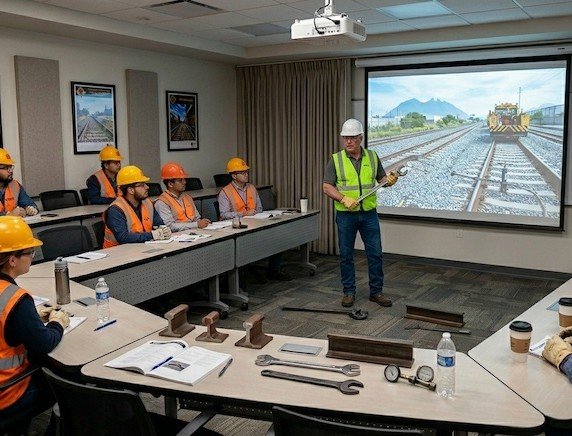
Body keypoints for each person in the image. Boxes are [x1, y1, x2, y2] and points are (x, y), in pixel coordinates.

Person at [0, 216, 69, 430]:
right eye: (29, 252)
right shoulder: (15, 298)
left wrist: (32, 316)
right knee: (68, 382)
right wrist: (57, 322)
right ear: (12, 260)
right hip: (6, 393)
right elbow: (44, 343)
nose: (32, 256)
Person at [323, 119, 399, 308]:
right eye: (345, 138)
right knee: (346, 255)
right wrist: (343, 199)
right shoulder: (336, 159)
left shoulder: (372, 157)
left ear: (360, 138)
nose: (348, 141)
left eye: (352, 137)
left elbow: (381, 180)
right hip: (346, 215)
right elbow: (326, 187)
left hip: (368, 214)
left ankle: (376, 292)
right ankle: (349, 292)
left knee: (375, 254)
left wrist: (389, 180)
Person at [218, 157, 292, 281]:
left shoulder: (251, 188)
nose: (246, 174)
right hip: (236, 228)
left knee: (277, 237)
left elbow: (259, 208)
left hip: (255, 223)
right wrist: (244, 213)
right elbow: (224, 214)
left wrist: (255, 214)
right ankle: (239, 280)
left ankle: (274, 270)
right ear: (234, 176)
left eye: (246, 171)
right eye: (242, 172)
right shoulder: (225, 192)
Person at [103, 165, 171, 247]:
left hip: (142, 247)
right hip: (117, 252)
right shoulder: (115, 210)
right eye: (142, 185)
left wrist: (164, 230)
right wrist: (152, 235)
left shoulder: (148, 203)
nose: (147, 187)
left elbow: (159, 224)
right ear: (131, 190)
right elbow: (123, 237)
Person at [154, 162, 210, 231]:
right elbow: (169, 226)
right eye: (180, 180)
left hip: (195, 232)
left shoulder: (187, 197)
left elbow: (197, 218)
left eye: (184, 179)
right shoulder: (162, 202)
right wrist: (196, 225)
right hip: (178, 235)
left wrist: (202, 223)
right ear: (170, 184)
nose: (184, 182)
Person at [0, 149, 38, 217]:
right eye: (6, 168)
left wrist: (30, 209)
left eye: (10, 167)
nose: (10, 171)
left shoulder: (15, 185)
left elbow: (29, 203)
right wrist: (9, 215)